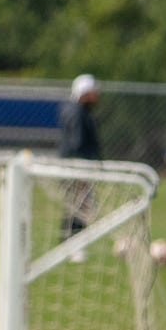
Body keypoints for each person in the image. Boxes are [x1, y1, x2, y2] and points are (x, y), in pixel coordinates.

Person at [58, 73, 102, 242]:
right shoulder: (77, 113)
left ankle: (73, 240)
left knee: (80, 205)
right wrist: (82, 171)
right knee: (78, 205)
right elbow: (77, 144)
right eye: (94, 92)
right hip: (76, 168)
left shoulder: (78, 111)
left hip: (77, 166)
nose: (97, 96)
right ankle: (72, 241)